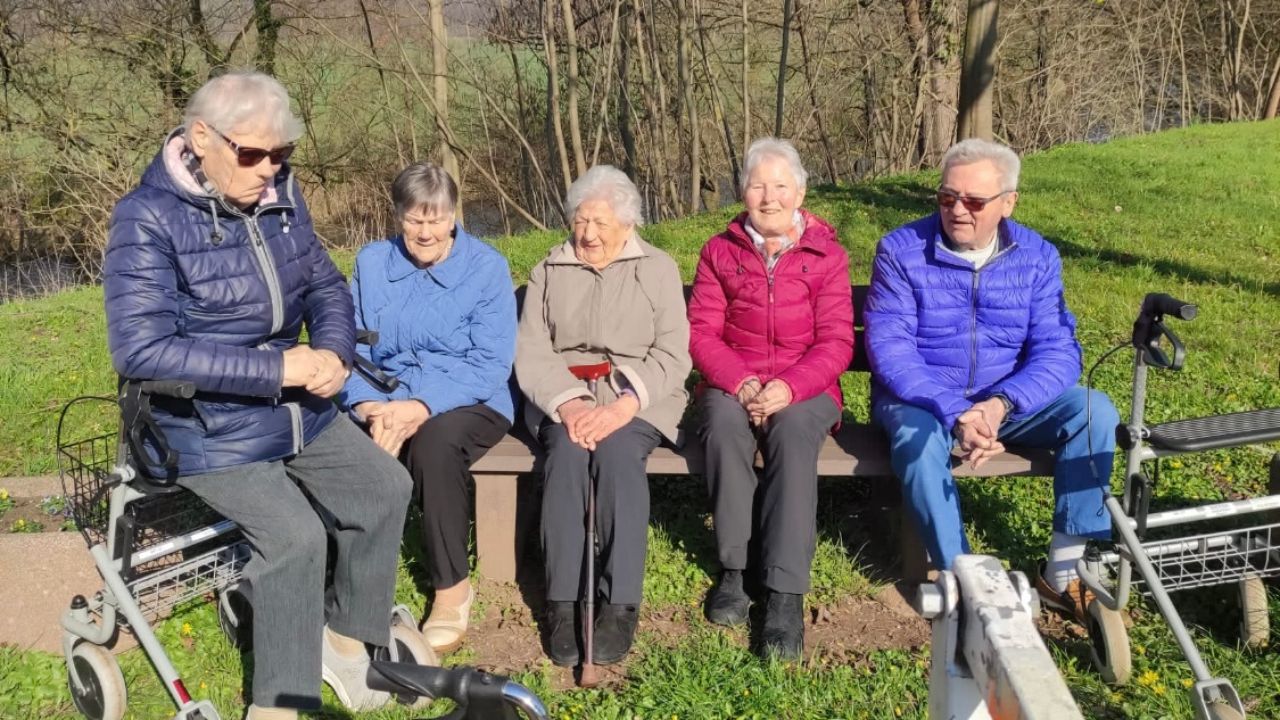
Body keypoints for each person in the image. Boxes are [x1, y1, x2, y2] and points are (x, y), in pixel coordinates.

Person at [103, 71, 411, 718]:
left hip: (296, 407)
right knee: (297, 538)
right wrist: (277, 370)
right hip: (201, 424)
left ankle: (344, 643)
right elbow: (142, 350)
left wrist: (334, 352)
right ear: (201, 139)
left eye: (282, 154)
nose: (270, 169)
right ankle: (278, 704)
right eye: (252, 153)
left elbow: (325, 286)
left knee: (383, 487)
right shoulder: (146, 217)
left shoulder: (282, 194)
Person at [864, 138, 1121, 623]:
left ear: (1008, 203)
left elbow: (1059, 349)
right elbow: (891, 351)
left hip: (1006, 403)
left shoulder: (1037, 257)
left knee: (1093, 412)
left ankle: (1064, 574)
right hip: (922, 402)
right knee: (917, 441)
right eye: (947, 197)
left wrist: (1001, 403)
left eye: (974, 201)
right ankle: (963, 578)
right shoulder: (901, 251)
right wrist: (957, 411)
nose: (957, 210)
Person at [515, 165, 691, 667]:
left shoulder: (657, 269)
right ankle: (563, 601)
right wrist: (569, 403)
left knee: (616, 456)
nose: (587, 233)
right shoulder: (549, 270)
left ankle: (619, 602)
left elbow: (673, 353)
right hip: (563, 396)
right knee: (567, 456)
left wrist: (623, 405)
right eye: (580, 220)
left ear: (628, 224)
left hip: (637, 397)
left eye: (600, 223)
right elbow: (532, 351)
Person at [338, 162, 516, 655]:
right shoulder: (372, 263)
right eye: (415, 220)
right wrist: (369, 406)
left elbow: (490, 364)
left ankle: (451, 588)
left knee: (433, 445)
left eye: (436, 220)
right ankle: (340, 585)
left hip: (471, 396)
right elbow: (351, 349)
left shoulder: (486, 268)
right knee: (333, 443)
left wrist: (422, 405)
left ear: (454, 216)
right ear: (397, 216)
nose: (425, 232)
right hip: (385, 397)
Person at [688, 137, 854, 660]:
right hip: (733, 382)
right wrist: (741, 383)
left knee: (792, 430)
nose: (769, 197)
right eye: (758, 186)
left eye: (781, 186)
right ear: (743, 192)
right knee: (722, 425)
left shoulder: (827, 254)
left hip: (806, 387)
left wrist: (789, 387)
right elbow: (702, 333)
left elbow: (837, 341)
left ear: (800, 193)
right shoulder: (719, 251)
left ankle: (784, 591)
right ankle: (735, 569)